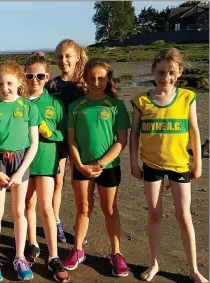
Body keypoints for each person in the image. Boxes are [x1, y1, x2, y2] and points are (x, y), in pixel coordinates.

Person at [130, 48, 209, 283]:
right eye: (161, 72)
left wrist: (198, 162)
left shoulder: (187, 97)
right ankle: (154, 263)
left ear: (180, 72)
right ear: (153, 71)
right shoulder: (141, 101)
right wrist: (134, 163)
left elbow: (194, 130)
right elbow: (134, 134)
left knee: (184, 216)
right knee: (154, 214)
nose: (166, 77)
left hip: (180, 165)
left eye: (172, 72)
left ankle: (194, 269)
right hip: (151, 165)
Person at [61, 58, 131, 278]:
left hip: (108, 166)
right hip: (81, 166)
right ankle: (78, 249)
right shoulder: (76, 106)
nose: (96, 82)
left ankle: (116, 253)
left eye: (101, 78)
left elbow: (121, 141)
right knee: (83, 208)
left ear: (109, 78)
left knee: (109, 209)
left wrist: (100, 163)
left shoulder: (116, 106)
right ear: (85, 79)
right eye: (92, 78)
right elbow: (71, 140)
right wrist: (80, 164)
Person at [0, 60, 39, 281]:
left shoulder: (28, 107)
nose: (5, 88)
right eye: (0, 84)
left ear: (19, 82)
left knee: (19, 212)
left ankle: (20, 257)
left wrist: (19, 171)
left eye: (9, 83)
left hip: (20, 161)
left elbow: (34, 143)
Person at [22, 52, 69, 282]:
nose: (34, 80)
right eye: (29, 76)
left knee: (47, 207)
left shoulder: (55, 103)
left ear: (47, 76)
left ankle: (53, 255)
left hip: (46, 161)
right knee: (27, 203)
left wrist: (49, 133)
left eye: (40, 76)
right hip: (22, 162)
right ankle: (32, 243)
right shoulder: (18, 102)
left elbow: (64, 134)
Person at [45, 39, 87, 244]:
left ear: (77, 57)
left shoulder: (86, 83)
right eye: (60, 56)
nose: (63, 60)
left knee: (82, 187)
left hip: (82, 143)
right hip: (59, 141)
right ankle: (55, 222)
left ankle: (81, 228)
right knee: (57, 183)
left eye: (68, 56)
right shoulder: (51, 85)